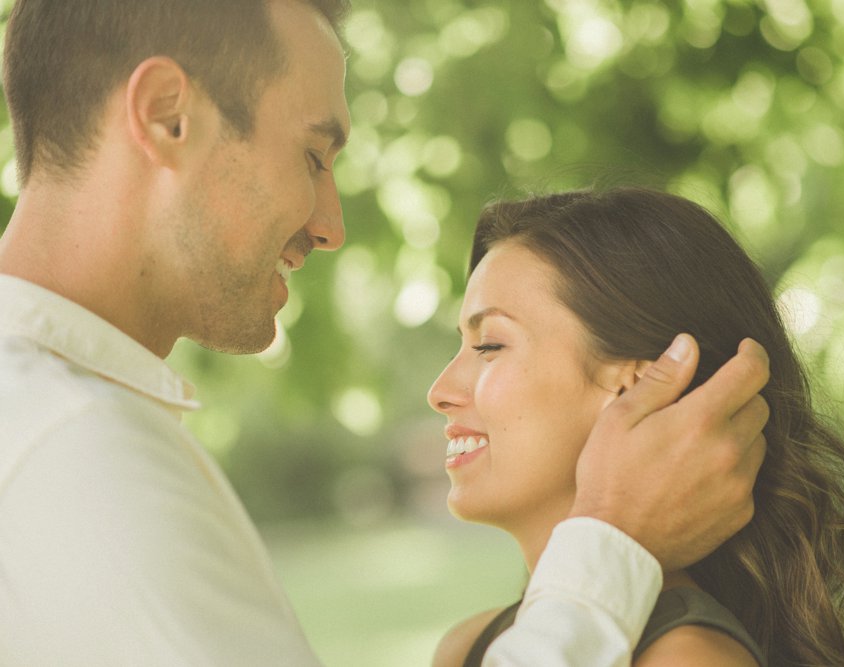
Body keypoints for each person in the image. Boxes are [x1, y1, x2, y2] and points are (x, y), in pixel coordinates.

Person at [0, 1, 771, 665]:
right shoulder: (72, 444)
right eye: (312, 154)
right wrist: (611, 539)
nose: (328, 226)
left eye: (491, 342)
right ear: (168, 114)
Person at [428, 187, 844, 667]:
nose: (440, 391)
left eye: (489, 346)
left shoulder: (689, 657)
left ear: (646, 386)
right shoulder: (469, 646)